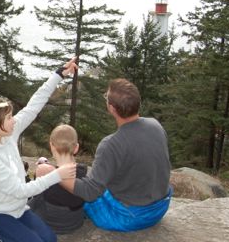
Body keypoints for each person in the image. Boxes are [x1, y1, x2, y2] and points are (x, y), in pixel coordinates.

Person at [0, 59, 78, 242]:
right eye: (9, 118)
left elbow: (33, 106)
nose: (14, 120)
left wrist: (57, 75)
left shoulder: (7, 133)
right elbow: (20, 190)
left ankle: (7, 232)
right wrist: (57, 175)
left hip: (18, 209)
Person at [60, 78, 172, 232]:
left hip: (130, 217)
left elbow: (90, 192)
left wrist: (55, 175)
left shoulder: (111, 144)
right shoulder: (155, 125)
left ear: (112, 108)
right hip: (161, 206)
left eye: (106, 97)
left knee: (77, 189)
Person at [27, 124, 88, 234]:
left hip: (49, 223)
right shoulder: (82, 171)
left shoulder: (44, 171)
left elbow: (37, 193)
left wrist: (43, 170)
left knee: (35, 195)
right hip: (74, 223)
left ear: (51, 146)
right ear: (76, 148)